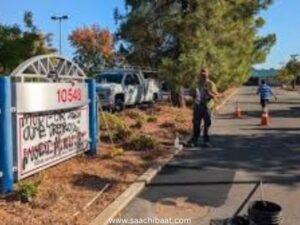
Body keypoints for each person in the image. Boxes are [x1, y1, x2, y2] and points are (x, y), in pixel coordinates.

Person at [187, 68, 219, 148]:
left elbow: (216, 95)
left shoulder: (211, 84)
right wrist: (193, 94)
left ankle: (206, 141)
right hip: (198, 106)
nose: (203, 76)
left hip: (207, 106)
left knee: (207, 124)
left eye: (204, 74)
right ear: (199, 75)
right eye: (202, 75)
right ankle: (194, 140)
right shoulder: (196, 84)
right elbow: (191, 93)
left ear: (208, 74)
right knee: (196, 123)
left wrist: (208, 93)